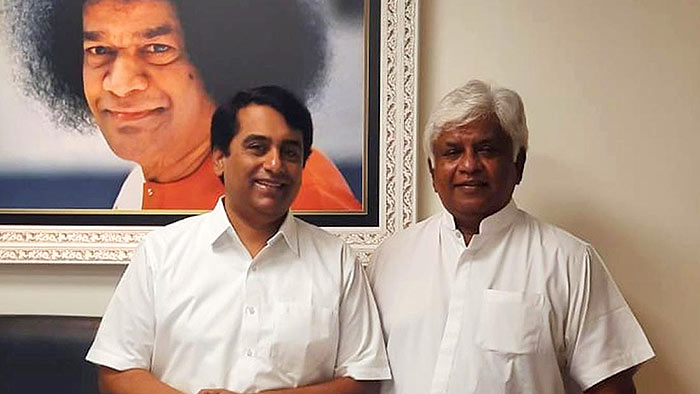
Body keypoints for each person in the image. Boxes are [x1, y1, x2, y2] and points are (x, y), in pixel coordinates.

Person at [86, 85, 390, 394]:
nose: (274, 164)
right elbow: (116, 372)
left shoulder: (337, 261)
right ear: (219, 158)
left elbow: (363, 381)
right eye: (257, 147)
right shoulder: (162, 252)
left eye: (290, 152)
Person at [367, 80, 654, 394]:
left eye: (486, 150)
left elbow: (610, 385)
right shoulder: (390, 257)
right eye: (452, 152)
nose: (469, 165)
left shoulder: (570, 261)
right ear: (433, 172)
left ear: (518, 165)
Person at [9, 0, 361, 211]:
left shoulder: (290, 192)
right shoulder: (140, 185)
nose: (119, 83)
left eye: (158, 49)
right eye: (99, 51)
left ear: (221, 59)